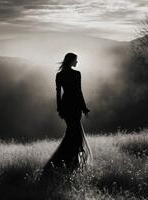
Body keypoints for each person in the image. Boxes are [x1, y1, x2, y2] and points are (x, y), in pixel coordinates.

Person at [40, 52, 93, 181]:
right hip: (75, 106)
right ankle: (69, 163)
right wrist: (84, 107)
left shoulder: (60, 75)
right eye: (76, 60)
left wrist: (60, 108)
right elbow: (79, 91)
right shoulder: (76, 74)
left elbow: (58, 93)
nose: (77, 62)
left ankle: (68, 162)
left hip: (66, 106)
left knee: (72, 132)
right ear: (71, 61)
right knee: (74, 134)